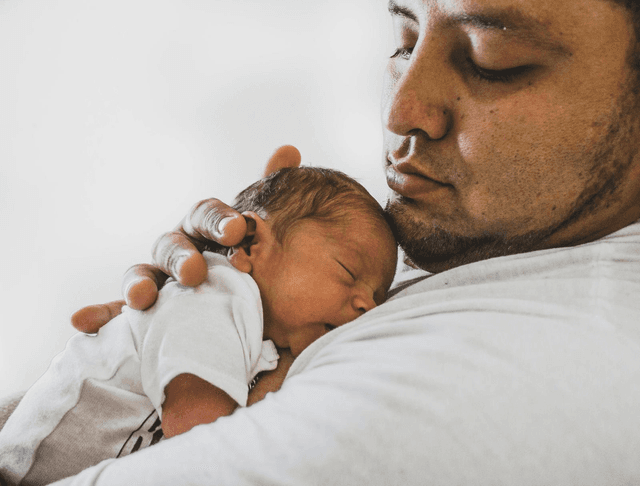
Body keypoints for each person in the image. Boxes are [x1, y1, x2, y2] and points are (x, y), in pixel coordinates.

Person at [3, 0, 640, 483]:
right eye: (403, 38)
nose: (401, 111)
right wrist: (138, 349)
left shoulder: (506, 379)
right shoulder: (514, 253)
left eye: (488, 61)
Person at [0, 167, 397, 486]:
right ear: (248, 247)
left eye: (377, 296)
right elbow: (201, 441)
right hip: (23, 466)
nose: (366, 303)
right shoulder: (216, 297)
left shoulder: (258, 329)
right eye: (347, 271)